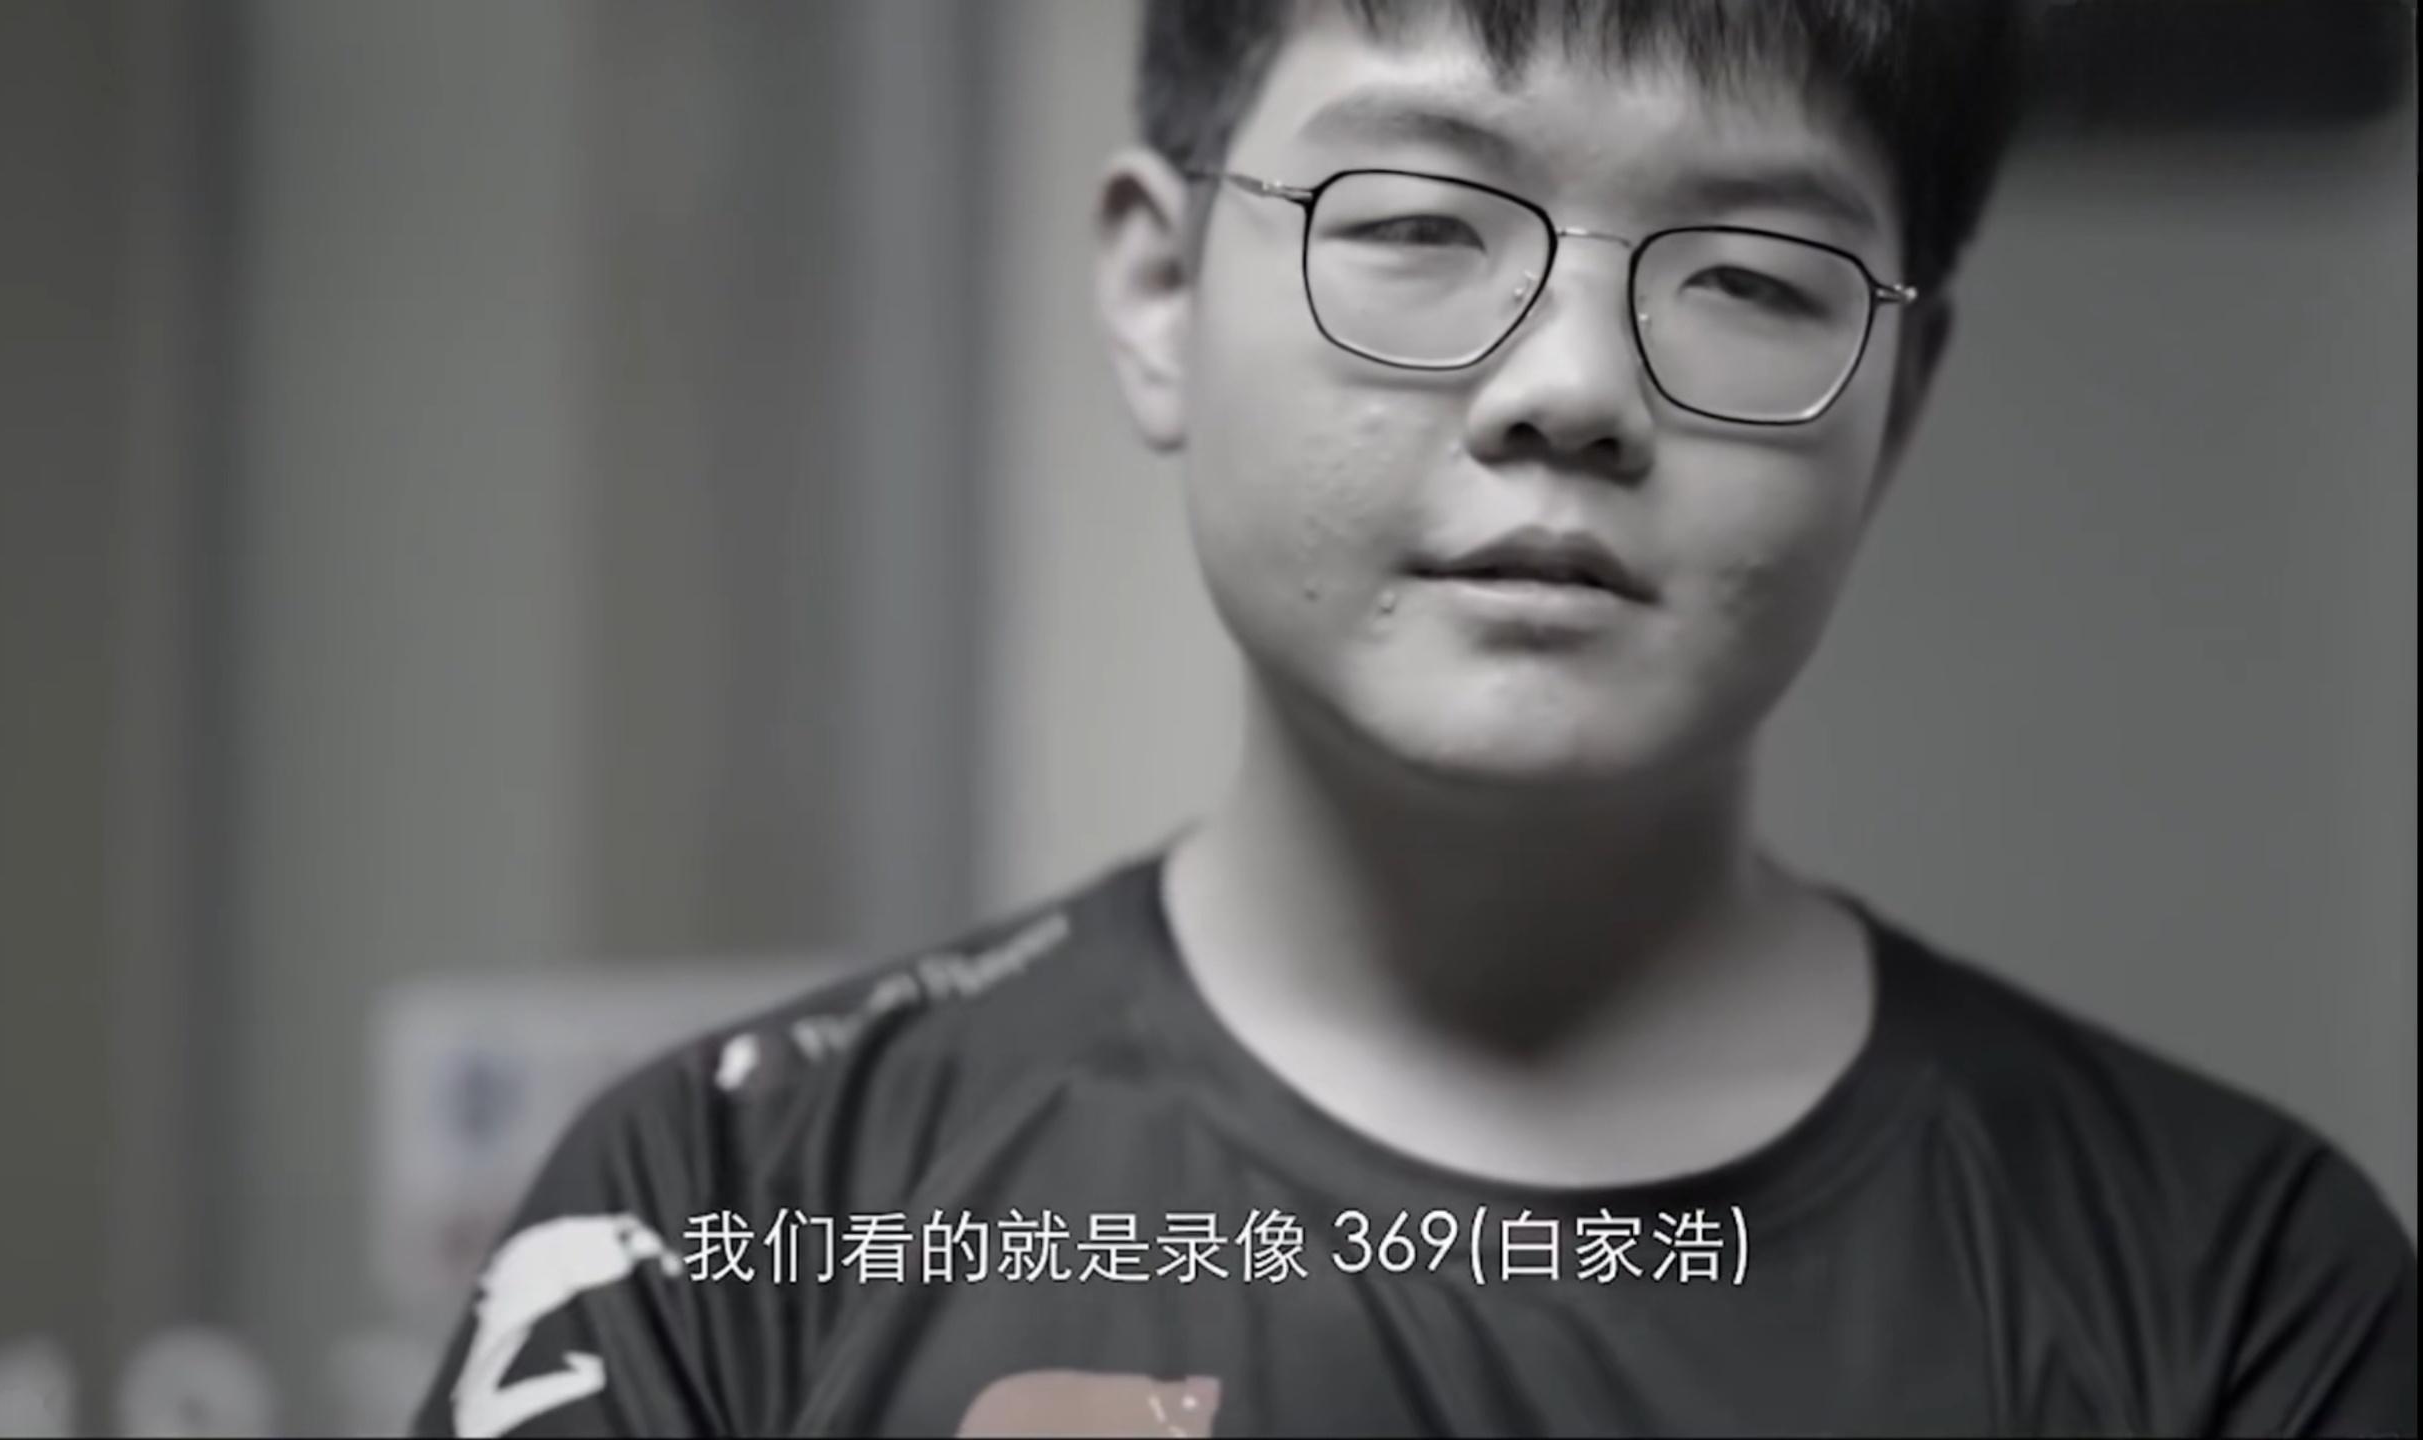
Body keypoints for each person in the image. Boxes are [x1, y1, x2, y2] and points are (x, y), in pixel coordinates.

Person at [412, 2, 2419, 1434]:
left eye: (1748, 276)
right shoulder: (720, 1222)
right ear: (1158, 290)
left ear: (1898, 406)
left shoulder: (2228, 1292)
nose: (1573, 389)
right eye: (1416, 226)